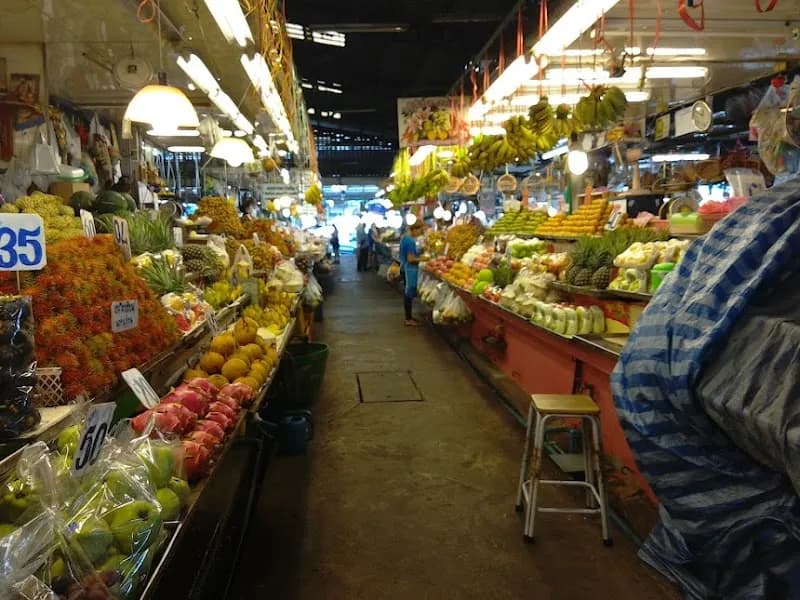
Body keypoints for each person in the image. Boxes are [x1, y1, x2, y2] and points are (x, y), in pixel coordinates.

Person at [400, 221, 424, 326]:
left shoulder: (405, 238)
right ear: (414, 229)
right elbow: (410, 259)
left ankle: (408, 317)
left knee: (407, 294)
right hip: (409, 269)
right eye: (420, 230)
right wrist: (423, 258)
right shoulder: (410, 241)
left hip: (405, 268)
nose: (420, 233)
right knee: (408, 294)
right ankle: (408, 319)